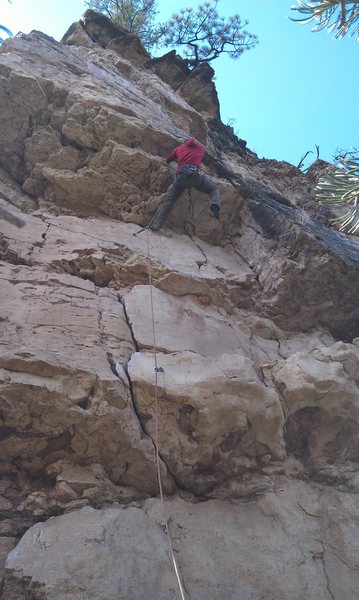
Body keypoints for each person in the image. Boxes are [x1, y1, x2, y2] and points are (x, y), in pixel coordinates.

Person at [149, 138, 220, 231]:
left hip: (181, 176)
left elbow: (168, 159)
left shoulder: (179, 148)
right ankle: (215, 205)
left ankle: (156, 225)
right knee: (213, 189)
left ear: (184, 143)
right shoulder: (200, 148)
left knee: (170, 201)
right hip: (194, 175)